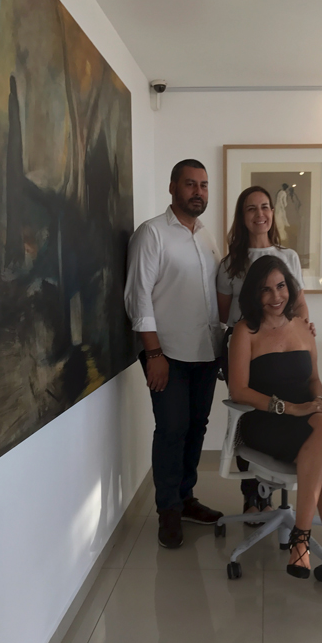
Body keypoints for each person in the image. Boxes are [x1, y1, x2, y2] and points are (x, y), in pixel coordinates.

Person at [228, 256, 322, 605]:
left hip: (305, 417)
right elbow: (239, 391)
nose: (275, 296)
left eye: (281, 286)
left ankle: (308, 541)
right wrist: (292, 408)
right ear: (254, 294)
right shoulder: (245, 332)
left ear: (290, 288)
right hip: (264, 419)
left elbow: (314, 380)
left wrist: (319, 401)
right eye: (265, 289)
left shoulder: (303, 327)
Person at [124, 159, 223, 549]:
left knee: (196, 427)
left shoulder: (207, 237)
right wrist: (154, 355)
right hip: (168, 354)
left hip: (206, 352)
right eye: (190, 184)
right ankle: (167, 510)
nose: (198, 192)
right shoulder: (152, 233)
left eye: (204, 185)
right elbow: (138, 297)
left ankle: (185, 498)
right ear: (172, 187)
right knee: (171, 430)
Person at [217, 185, 312, 521]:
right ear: (242, 217)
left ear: (272, 212)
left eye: (265, 207)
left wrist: (303, 331)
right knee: (250, 414)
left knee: (284, 412)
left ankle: (274, 490)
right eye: (251, 208)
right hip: (245, 350)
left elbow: (299, 304)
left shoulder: (289, 257)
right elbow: (224, 314)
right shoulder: (230, 263)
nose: (260, 214)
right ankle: (252, 495)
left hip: (282, 350)